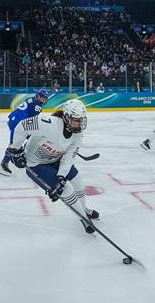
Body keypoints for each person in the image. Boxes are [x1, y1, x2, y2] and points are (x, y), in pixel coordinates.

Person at [9, 98, 98, 231]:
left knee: (78, 182)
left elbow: (68, 158)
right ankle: (83, 218)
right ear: (66, 117)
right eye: (75, 120)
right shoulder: (48, 124)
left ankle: (84, 209)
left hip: (57, 159)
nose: (79, 124)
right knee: (65, 189)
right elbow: (22, 126)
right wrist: (16, 150)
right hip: (36, 164)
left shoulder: (78, 136)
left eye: (81, 120)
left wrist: (61, 176)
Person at [0, 89, 50, 176]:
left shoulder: (31, 99)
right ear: (38, 96)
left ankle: (16, 157)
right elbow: (32, 120)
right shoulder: (37, 106)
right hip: (18, 124)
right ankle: (5, 162)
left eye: (46, 98)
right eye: (43, 98)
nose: (45, 100)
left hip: (14, 119)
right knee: (15, 144)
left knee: (23, 140)